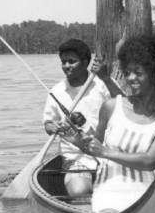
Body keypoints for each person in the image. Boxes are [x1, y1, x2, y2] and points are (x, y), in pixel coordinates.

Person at [78, 33, 155, 213]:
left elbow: (150, 161)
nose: (131, 78)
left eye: (138, 73)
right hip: (108, 189)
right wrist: (76, 139)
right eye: (127, 73)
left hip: (147, 193)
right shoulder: (111, 106)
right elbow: (94, 147)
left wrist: (106, 152)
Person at [43, 39, 114, 197]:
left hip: (110, 155)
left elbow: (125, 105)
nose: (66, 66)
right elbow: (48, 123)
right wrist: (51, 127)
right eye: (64, 62)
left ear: (85, 62)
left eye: (72, 61)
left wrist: (106, 78)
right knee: (79, 191)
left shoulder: (103, 84)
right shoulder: (57, 91)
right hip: (76, 158)